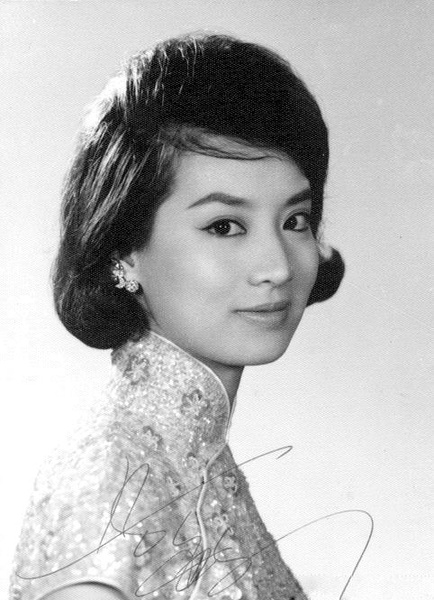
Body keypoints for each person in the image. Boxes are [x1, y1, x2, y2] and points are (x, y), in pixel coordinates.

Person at [10, 33, 344, 600]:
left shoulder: (195, 459)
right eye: (224, 226)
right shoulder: (107, 478)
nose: (277, 267)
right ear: (123, 250)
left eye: (295, 220)